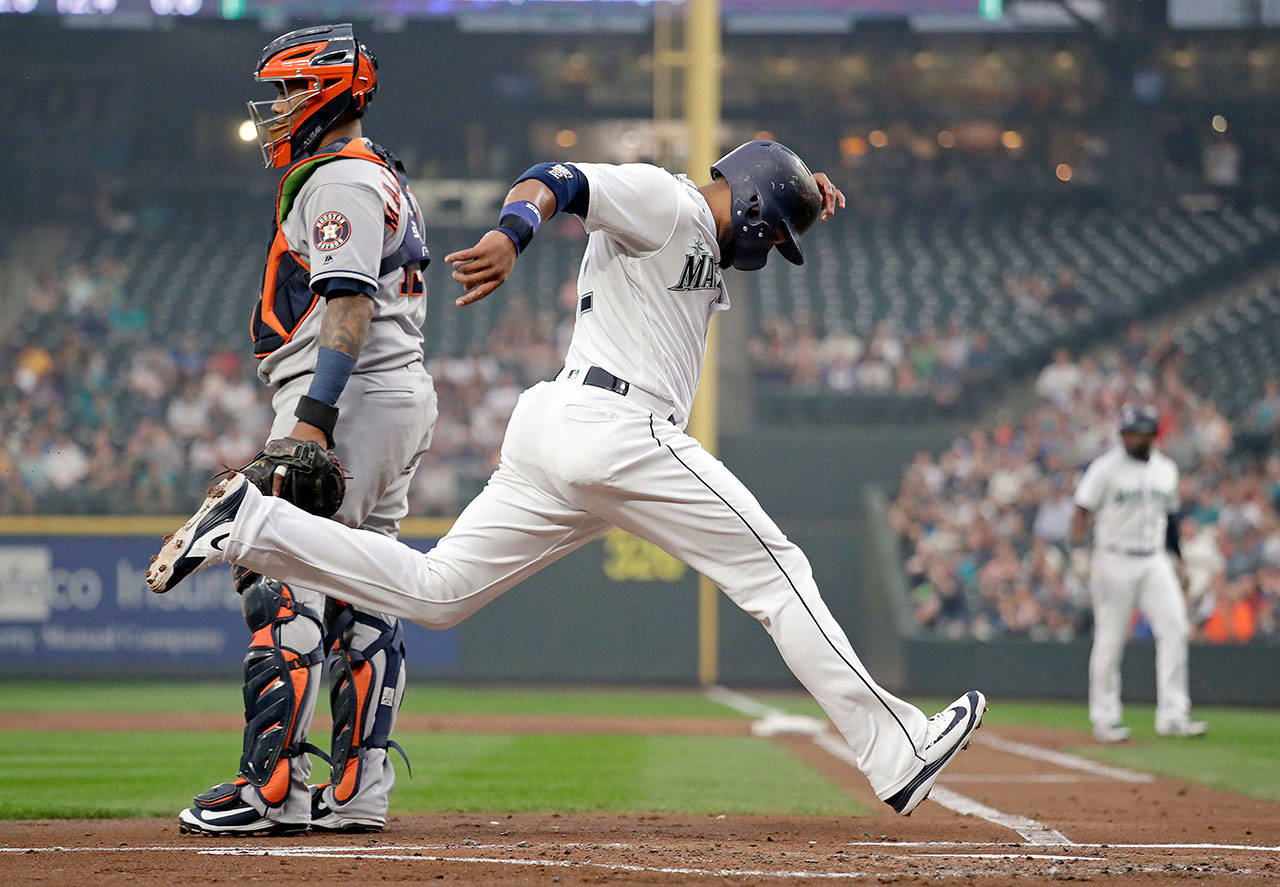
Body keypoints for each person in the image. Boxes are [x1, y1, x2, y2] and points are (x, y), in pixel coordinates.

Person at [148, 139, 985, 816]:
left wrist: (805, 195)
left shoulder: (710, 232)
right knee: (778, 572)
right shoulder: (671, 200)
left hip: (562, 431)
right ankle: (897, 749)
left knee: (438, 593)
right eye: (775, 230)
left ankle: (252, 526)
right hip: (615, 428)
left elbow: (750, 210)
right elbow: (562, 178)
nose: (770, 249)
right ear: (755, 202)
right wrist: (513, 234)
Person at [175, 23, 437, 836]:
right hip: (393, 394)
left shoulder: (339, 180)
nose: (279, 108)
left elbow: (349, 302)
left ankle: (271, 787)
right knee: (363, 592)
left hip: (347, 396)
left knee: (281, 577)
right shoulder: (375, 173)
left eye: (289, 90)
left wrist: (315, 423)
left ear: (327, 93)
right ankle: (358, 791)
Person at [1069, 403, 1206, 742]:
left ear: (1152, 434)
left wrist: (1179, 559)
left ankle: (1173, 715)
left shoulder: (1166, 470)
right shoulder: (1105, 468)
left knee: (1175, 629)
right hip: (1113, 558)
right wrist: (1077, 553)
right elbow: (1080, 511)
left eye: (1139, 432)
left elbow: (1170, 518)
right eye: (1128, 432)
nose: (1132, 437)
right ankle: (1105, 717)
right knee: (1110, 639)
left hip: (1154, 559)